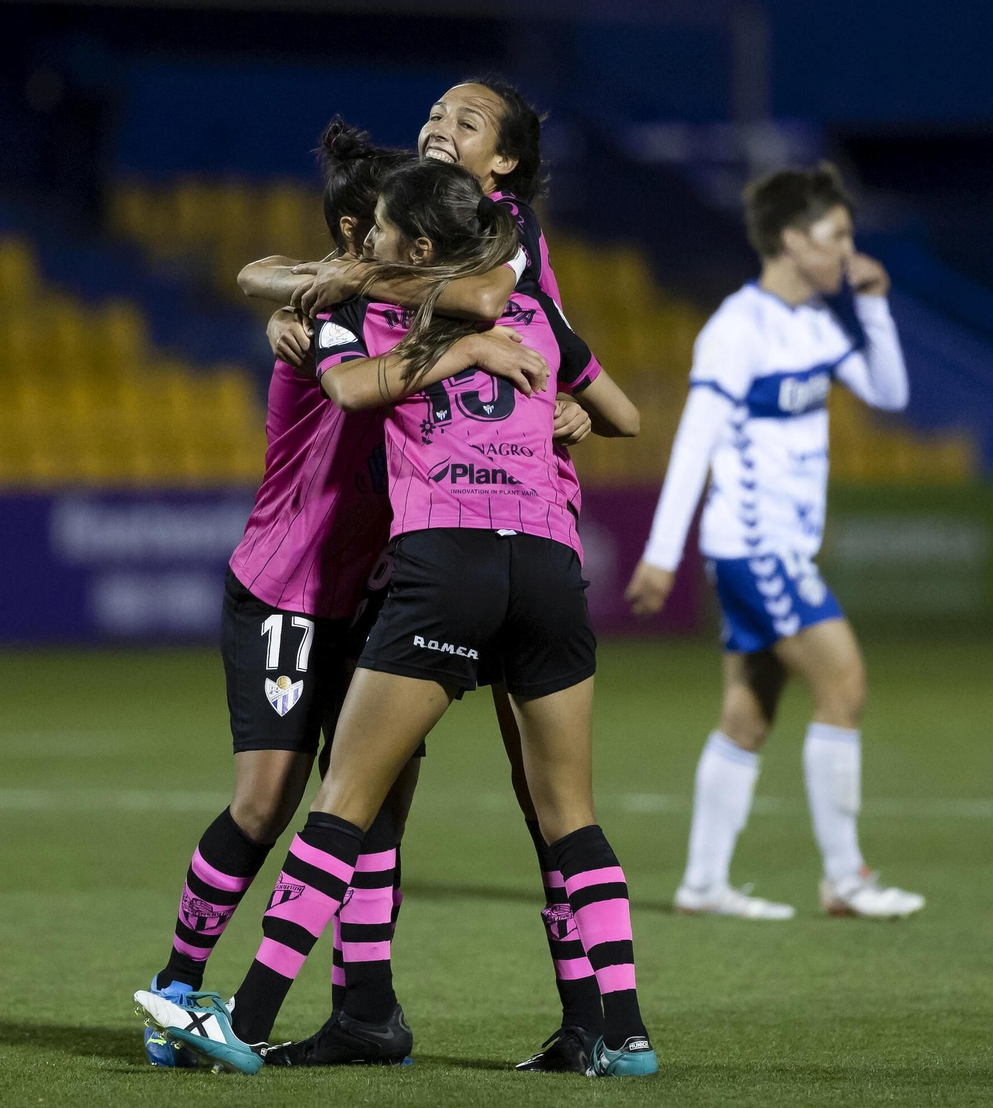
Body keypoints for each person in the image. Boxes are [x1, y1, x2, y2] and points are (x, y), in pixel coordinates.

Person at [138, 158, 657, 1079]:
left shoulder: (401, 311)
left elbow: (398, 362)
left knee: (356, 802)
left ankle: (303, 1017)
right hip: (312, 582)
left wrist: (564, 405)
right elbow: (620, 406)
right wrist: (521, 374)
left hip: (418, 573)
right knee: (280, 803)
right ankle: (622, 1031)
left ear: (414, 244)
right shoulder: (350, 310)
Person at [625, 162, 926, 921]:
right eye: (836, 237)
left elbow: (891, 394)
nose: (848, 251)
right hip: (755, 548)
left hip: (780, 549)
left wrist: (875, 307)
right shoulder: (737, 329)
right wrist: (664, 551)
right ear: (793, 241)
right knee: (844, 684)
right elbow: (696, 440)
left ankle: (703, 882)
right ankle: (845, 880)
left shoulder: (819, 324)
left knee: (749, 713)